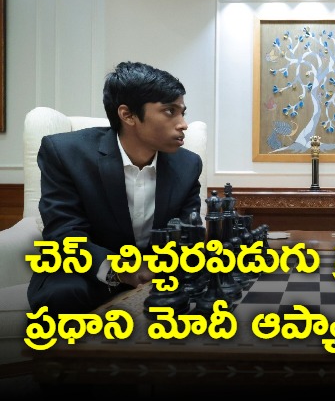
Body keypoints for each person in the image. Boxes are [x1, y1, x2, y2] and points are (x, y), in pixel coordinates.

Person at [28, 61, 203, 316]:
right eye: (170, 111)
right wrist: (120, 269)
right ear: (128, 115)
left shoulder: (188, 164)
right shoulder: (65, 153)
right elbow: (64, 232)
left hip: (157, 272)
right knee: (62, 295)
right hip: (86, 269)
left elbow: (187, 235)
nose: (183, 124)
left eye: (182, 112)